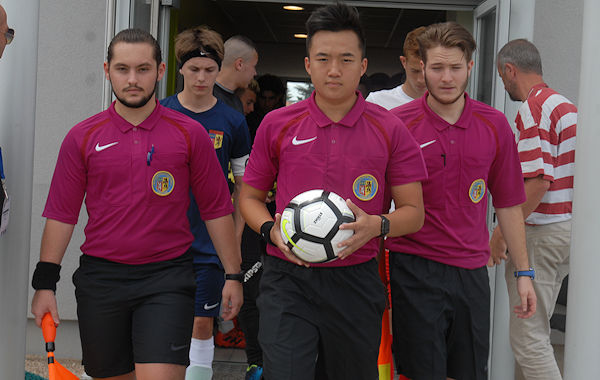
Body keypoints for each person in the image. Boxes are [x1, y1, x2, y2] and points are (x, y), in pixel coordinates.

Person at [30, 28, 243, 380]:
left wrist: (233, 275)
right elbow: (61, 215)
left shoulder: (190, 135)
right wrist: (44, 285)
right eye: (122, 69)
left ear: (160, 71)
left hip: (168, 277)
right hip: (101, 279)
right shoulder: (82, 137)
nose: (132, 79)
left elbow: (216, 210)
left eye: (143, 69)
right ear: (106, 70)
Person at [240, 3, 427, 379]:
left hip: (355, 281)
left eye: (346, 59)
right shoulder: (277, 124)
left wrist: (377, 225)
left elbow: (414, 213)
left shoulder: (390, 129)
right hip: (288, 278)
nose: (334, 70)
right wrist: (269, 231)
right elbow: (249, 198)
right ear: (308, 65)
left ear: (362, 65)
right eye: (323, 59)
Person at [386, 22, 537, 380]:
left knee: (469, 372)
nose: (447, 77)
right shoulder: (396, 124)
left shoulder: (495, 124)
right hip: (412, 267)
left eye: (455, 67)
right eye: (437, 68)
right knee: (422, 373)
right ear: (421, 68)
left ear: (470, 67)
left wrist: (524, 273)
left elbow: (509, 204)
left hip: (471, 271)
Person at [160, 25, 250, 380]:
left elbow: (245, 184)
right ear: (179, 68)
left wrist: (237, 235)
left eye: (209, 70)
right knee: (165, 321)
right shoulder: (159, 112)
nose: (201, 77)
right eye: (194, 69)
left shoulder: (233, 120)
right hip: (164, 241)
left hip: (210, 241)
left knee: (202, 320)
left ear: (219, 69)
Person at [491, 38, 576, 380]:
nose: (503, 83)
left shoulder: (533, 107)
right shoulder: (566, 105)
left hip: (541, 232)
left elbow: (539, 181)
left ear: (510, 70)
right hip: (566, 230)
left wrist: (500, 233)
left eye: (501, 76)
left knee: (529, 340)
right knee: (535, 337)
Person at [366, 26, 427, 109]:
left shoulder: (448, 105)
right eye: (415, 71)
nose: (421, 79)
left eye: (427, 71)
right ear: (403, 62)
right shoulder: (376, 102)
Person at [213, 35, 258, 114]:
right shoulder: (206, 99)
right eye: (253, 66)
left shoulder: (237, 102)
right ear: (239, 64)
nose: (255, 73)